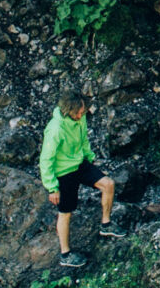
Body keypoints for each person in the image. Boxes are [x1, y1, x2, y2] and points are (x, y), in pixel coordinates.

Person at [39, 92, 123, 268]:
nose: (81, 115)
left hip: (79, 163)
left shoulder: (80, 118)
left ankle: (106, 225)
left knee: (108, 184)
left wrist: (89, 156)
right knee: (66, 212)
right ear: (68, 110)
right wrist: (52, 187)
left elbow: (84, 139)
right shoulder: (55, 129)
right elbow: (46, 160)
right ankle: (65, 254)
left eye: (83, 111)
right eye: (78, 112)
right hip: (63, 172)